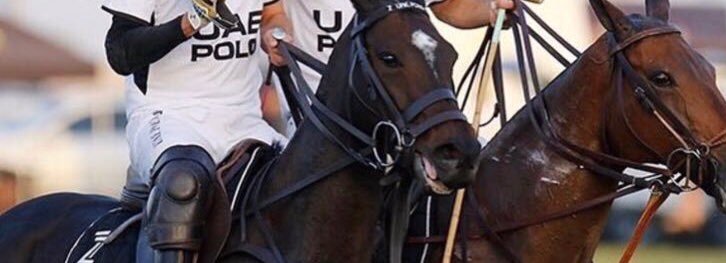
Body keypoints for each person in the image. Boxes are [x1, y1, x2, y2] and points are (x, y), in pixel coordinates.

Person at [101, 0, 290, 261]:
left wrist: (274, 34)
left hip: (245, 120)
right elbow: (120, 52)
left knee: (311, 175)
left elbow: (272, 13)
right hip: (168, 115)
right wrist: (191, 22)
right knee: (183, 182)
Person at [259, 0, 530, 136]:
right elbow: (272, 13)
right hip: (320, 116)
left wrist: (492, 8)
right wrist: (277, 33)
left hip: (404, 115)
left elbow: (448, 6)